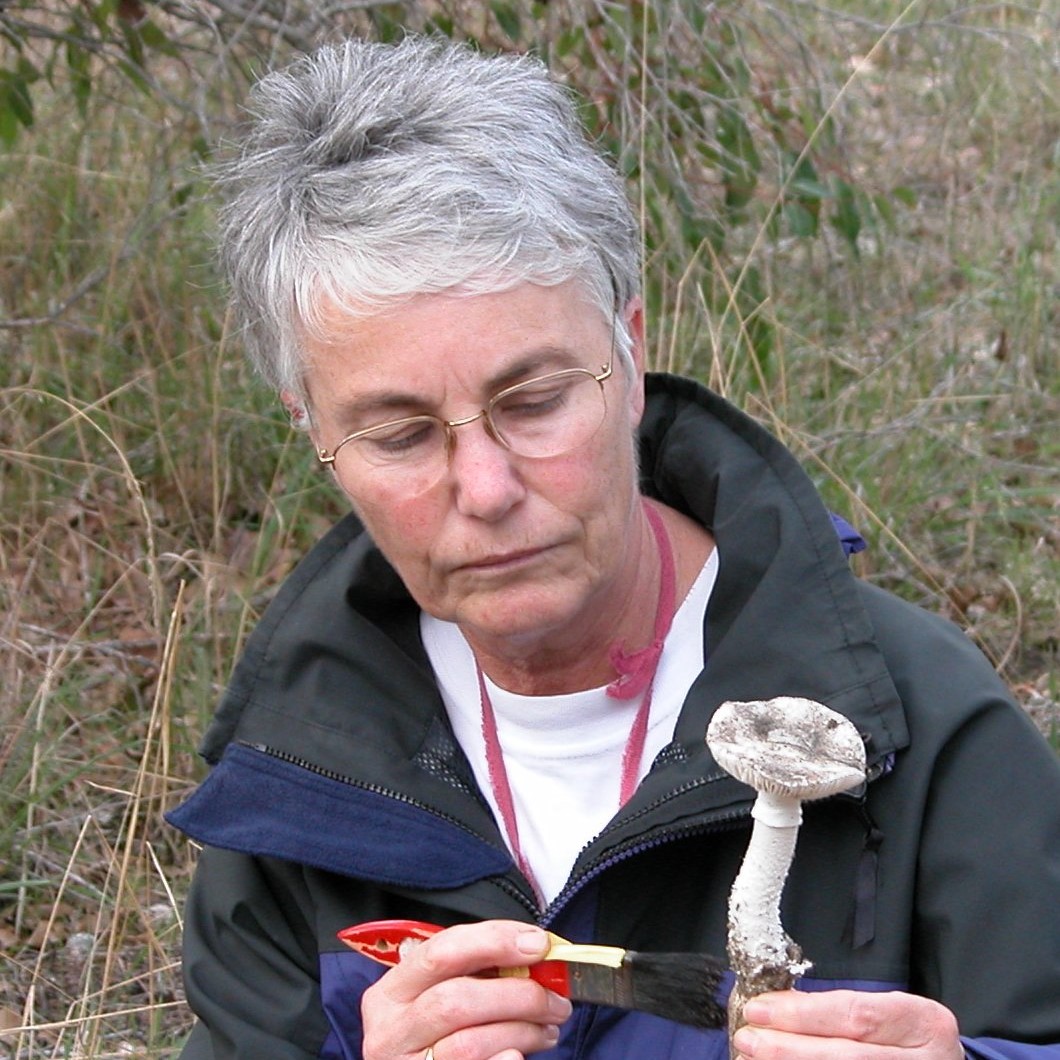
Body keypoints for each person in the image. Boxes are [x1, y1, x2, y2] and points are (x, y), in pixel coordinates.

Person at [166, 34, 1060, 1060]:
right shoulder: (295, 782)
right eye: (401, 433)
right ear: (312, 432)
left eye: (535, 400)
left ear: (630, 353)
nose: (487, 490)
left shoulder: (917, 724)